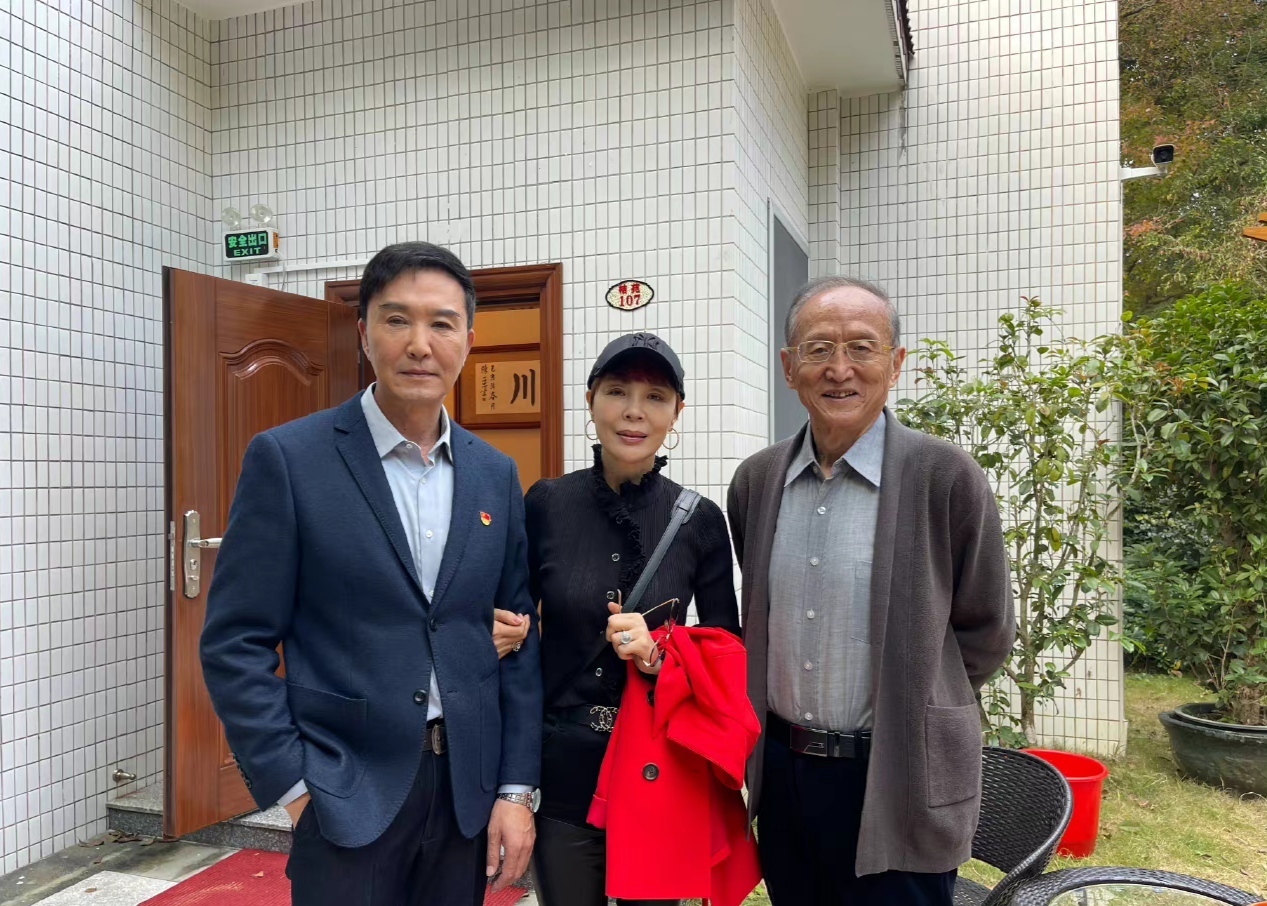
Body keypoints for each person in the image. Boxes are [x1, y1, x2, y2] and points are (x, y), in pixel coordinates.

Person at [200, 241, 542, 906]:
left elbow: (518, 639)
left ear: (468, 342)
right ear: (363, 333)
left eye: (441, 323)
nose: (420, 344)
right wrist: (294, 787)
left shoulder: (494, 475)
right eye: (397, 319)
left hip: (465, 797)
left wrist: (513, 789)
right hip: (343, 793)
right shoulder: (290, 460)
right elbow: (234, 642)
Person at [727, 276, 1016, 906]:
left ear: (896, 363)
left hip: (898, 775)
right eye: (818, 349)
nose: (840, 370)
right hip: (784, 774)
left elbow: (987, 630)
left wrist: (918, 694)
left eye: (862, 347)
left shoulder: (947, 477)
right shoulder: (756, 482)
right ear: (788, 367)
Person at [520, 332, 742, 906]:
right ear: (591, 400)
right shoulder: (546, 504)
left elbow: (727, 649)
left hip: (657, 764)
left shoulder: (699, 520)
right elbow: (515, 622)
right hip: (563, 763)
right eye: (618, 391)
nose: (634, 412)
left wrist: (659, 653)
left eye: (655, 397)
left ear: (677, 413)